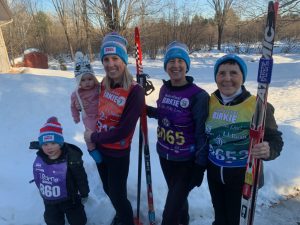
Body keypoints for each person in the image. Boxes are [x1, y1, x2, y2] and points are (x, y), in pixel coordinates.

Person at [206, 54, 284, 225]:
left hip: (243, 176)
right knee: (219, 218)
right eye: (222, 73)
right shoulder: (210, 101)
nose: (227, 78)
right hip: (214, 174)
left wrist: (268, 149)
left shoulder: (257, 106)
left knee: (236, 220)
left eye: (233, 73)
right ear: (216, 77)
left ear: (243, 77)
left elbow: (276, 140)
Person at [84, 32, 144, 225]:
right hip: (101, 149)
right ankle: (121, 214)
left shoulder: (135, 91)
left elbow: (124, 131)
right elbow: (96, 107)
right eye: (106, 59)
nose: (110, 64)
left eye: (115, 58)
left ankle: (126, 220)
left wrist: (93, 136)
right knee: (109, 191)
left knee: (118, 195)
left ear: (124, 60)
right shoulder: (103, 84)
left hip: (118, 153)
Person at [147, 41, 210, 225]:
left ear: (187, 65)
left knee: (169, 215)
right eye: (171, 61)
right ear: (166, 65)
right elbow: (165, 116)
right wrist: (149, 111)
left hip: (186, 162)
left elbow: (201, 134)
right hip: (165, 157)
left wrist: (200, 166)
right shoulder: (164, 89)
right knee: (179, 203)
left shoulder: (198, 96)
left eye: (180, 61)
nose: (175, 65)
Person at [32, 116, 90, 225]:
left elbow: (80, 176)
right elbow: (38, 177)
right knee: (53, 220)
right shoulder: (40, 159)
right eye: (45, 144)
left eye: (53, 143)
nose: (49, 147)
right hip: (50, 201)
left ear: (60, 143)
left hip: (70, 199)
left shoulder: (71, 158)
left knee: (78, 220)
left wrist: (84, 192)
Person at [70, 51, 102, 163]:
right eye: (83, 80)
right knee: (89, 135)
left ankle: (103, 149)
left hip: (101, 115)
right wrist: (76, 117)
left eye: (89, 79)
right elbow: (73, 106)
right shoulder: (76, 94)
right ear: (78, 81)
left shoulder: (98, 88)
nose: (87, 82)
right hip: (88, 118)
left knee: (102, 133)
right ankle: (93, 151)